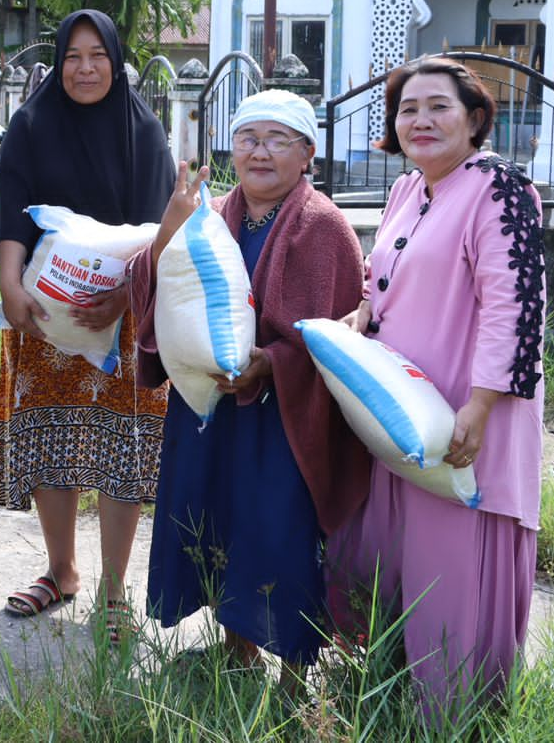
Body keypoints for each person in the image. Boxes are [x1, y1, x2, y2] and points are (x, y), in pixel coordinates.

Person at [127, 90, 372, 682]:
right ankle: (237, 652)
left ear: (307, 153)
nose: (259, 153)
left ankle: (293, 672)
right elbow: (145, 278)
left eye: (277, 140)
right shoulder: (210, 214)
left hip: (283, 420)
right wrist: (167, 232)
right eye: (247, 139)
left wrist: (272, 362)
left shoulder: (323, 228)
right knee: (219, 518)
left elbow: (334, 337)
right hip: (211, 409)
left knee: (277, 528)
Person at [336, 57, 545, 713]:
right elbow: (383, 273)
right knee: (388, 557)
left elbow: (516, 304)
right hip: (401, 411)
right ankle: (383, 699)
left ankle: (452, 716)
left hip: (463, 414)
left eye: (438, 106)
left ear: (475, 118)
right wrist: (364, 308)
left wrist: (479, 405)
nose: (420, 120)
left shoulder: (499, 188)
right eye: (407, 110)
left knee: (449, 561)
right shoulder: (406, 190)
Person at [0, 8, 175, 639]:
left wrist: (122, 299)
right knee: (52, 435)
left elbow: (157, 231)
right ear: (58, 61)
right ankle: (60, 570)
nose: (85, 68)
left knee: (120, 444)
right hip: (44, 310)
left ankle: (114, 591)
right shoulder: (32, 123)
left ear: (116, 61)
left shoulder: (143, 133)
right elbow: (11, 211)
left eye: (98, 55)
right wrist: (11, 286)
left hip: (123, 318)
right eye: (73, 56)